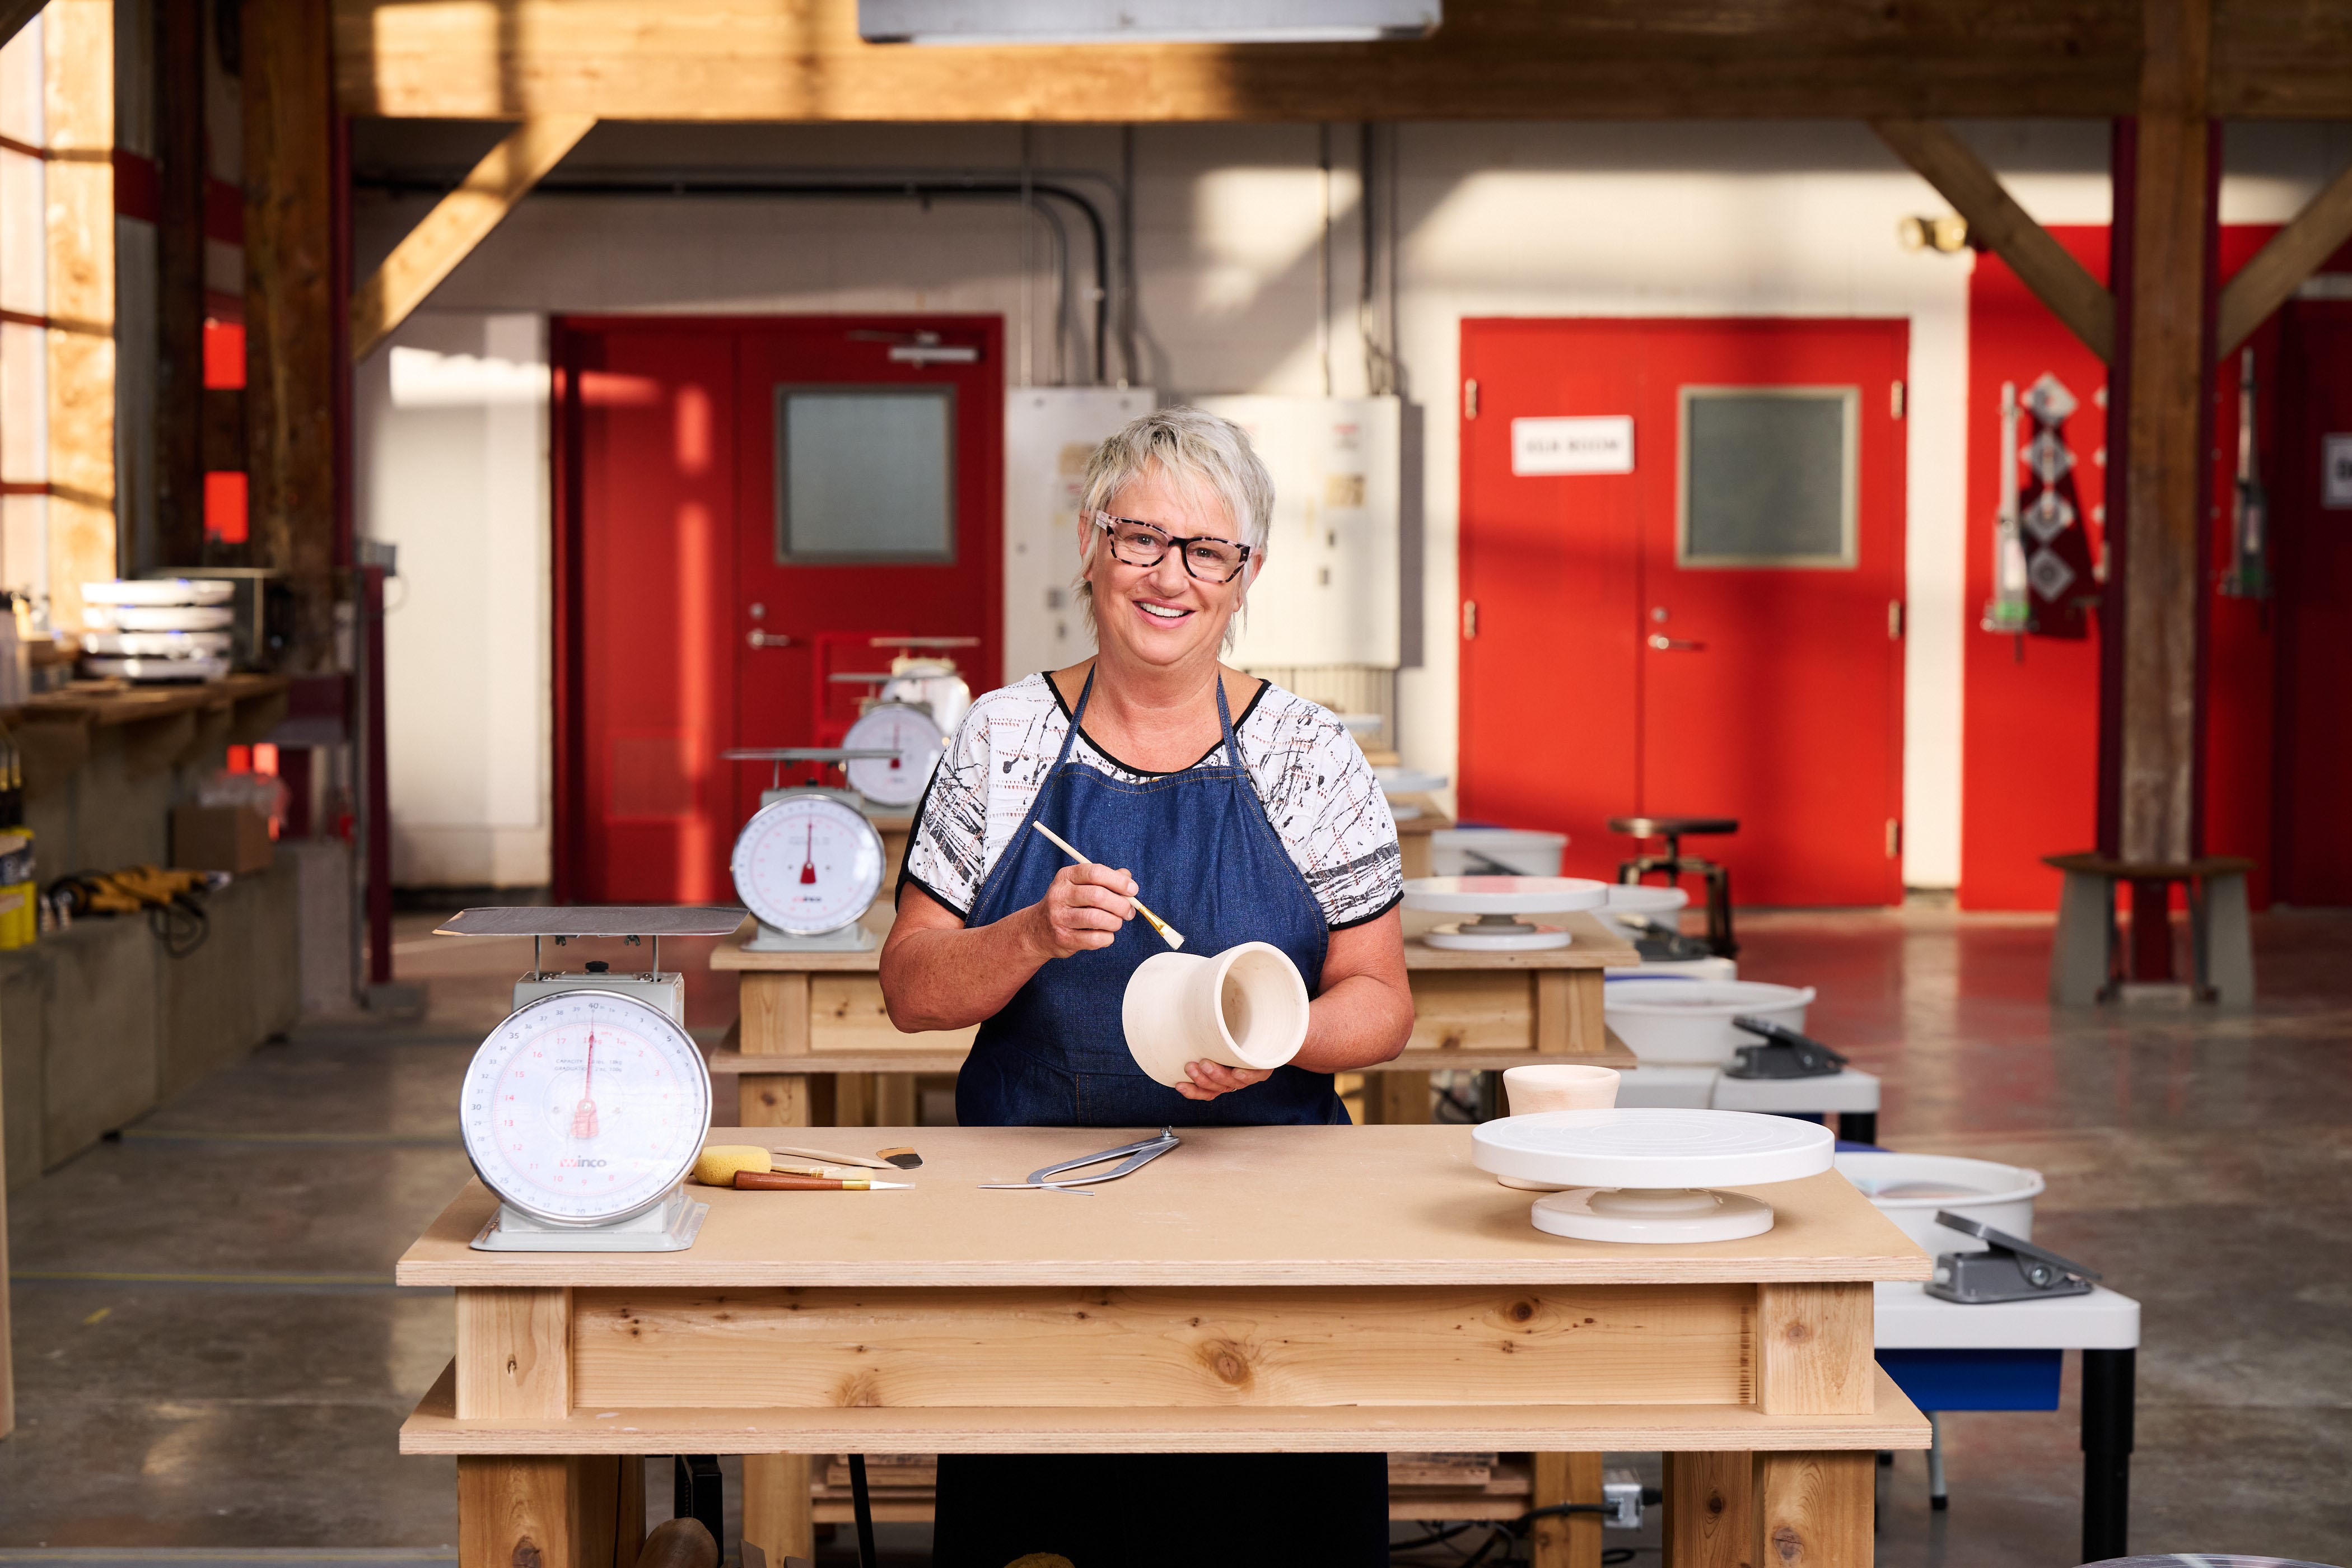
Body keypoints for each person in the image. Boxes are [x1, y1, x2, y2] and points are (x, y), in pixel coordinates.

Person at [879, 407, 1413, 1566]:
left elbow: (1381, 995)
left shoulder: (1310, 755)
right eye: (1139, 540)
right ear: (1089, 544)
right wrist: (1025, 933)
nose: (1168, 576)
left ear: (1245, 574)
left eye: (1205, 550)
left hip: (1270, 1228)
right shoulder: (1000, 739)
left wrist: (1285, 1038)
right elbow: (912, 988)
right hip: (1037, 1226)